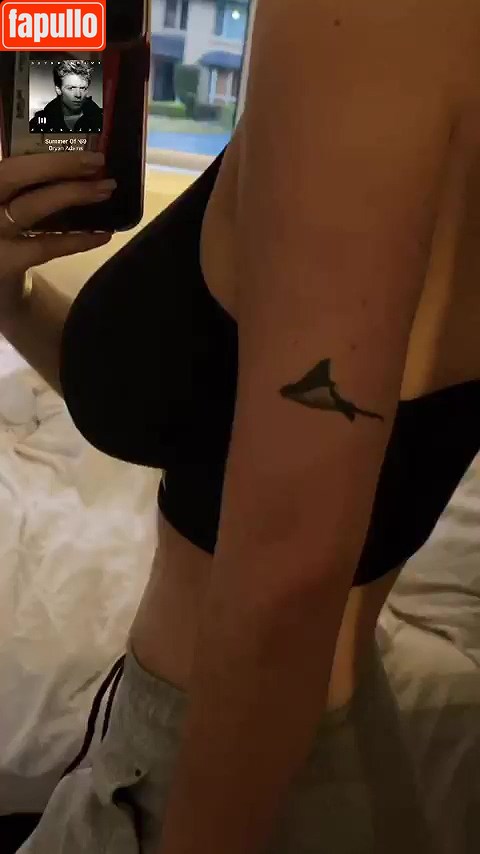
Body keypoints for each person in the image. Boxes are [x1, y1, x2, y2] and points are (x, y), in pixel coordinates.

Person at [1, 0, 479, 851]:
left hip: (221, 775)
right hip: (270, 752)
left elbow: (290, 570)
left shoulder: (372, 20)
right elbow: (209, 414)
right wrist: (10, 300)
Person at [29, 60, 103, 134]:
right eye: (71, 88)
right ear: (58, 89)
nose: (78, 95)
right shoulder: (38, 124)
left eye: (82, 88)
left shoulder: (103, 120)